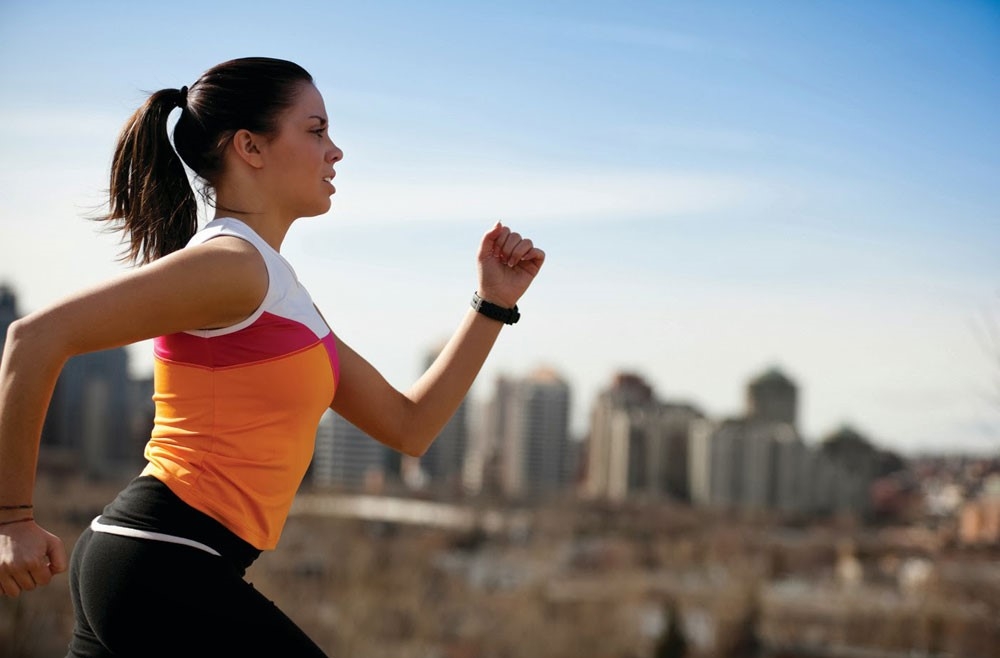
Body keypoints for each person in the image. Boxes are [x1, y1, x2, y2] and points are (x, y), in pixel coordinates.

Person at [0, 56, 544, 657]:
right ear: (250, 147)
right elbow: (33, 340)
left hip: (154, 562)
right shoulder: (231, 266)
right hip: (164, 562)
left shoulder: (279, 292)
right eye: (316, 131)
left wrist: (492, 304)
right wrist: (12, 519)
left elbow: (409, 425)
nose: (335, 151)